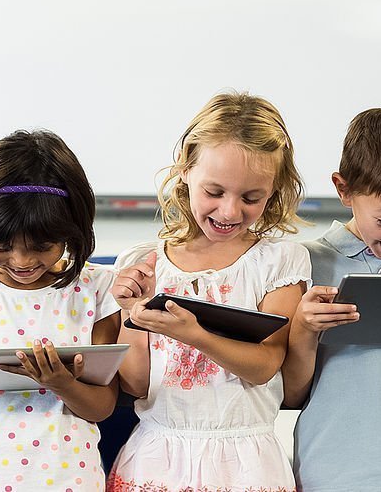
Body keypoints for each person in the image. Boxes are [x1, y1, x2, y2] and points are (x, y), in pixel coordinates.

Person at [106, 92, 311, 491]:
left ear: (274, 189)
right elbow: (135, 384)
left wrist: (193, 334)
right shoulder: (143, 261)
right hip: (156, 456)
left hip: (245, 461)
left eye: (251, 197)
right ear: (185, 170)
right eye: (214, 192)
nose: (230, 211)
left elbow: (264, 366)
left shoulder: (279, 261)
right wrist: (132, 313)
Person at [0, 129, 121, 491]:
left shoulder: (97, 288)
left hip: (68, 476)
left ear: (72, 229)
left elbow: (102, 407)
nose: (22, 261)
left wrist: (61, 383)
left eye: (42, 246)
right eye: (1, 246)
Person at [283, 107, 381, 491]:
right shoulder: (298, 266)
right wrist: (303, 328)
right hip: (331, 476)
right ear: (344, 190)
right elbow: (288, 396)